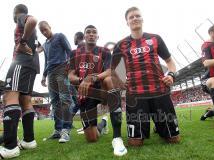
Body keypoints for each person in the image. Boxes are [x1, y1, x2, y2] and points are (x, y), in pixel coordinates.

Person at [111, 7, 180, 147]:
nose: (135, 18)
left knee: (174, 140)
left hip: (159, 91)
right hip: (136, 95)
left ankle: (159, 127)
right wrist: (119, 81)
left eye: (137, 16)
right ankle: (155, 126)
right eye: (131, 17)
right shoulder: (121, 44)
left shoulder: (155, 38)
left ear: (142, 19)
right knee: (135, 143)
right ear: (127, 22)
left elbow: (170, 62)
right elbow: (113, 69)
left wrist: (171, 75)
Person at [68, 25, 127, 156]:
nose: (91, 34)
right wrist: (82, 81)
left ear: (98, 36)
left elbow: (109, 70)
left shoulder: (104, 51)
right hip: (85, 94)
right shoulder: (74, 53)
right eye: (88, 32)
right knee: (92, 138)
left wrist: (92, 78)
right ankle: (103, 123)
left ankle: (117, 136)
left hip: (101, 89)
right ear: (84, 36)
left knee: (109, 80)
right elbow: (70, 75)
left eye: (94, 32)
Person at [0, 4, 38, 159]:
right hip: (31, 64)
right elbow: (38, 48)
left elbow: (33, 20)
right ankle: (29, 140)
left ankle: (10, 147)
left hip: (21, 63)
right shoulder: (32, 32)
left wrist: (21, 42)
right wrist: (29, 48)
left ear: (15, 13)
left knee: (9, 96)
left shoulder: (20, 18)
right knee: (25, 99)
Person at [38, 21, 73, 143]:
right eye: (42, 31)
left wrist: (70, 67)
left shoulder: (60, 36)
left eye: (45, 29)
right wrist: (43, 76)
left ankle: (66, 130)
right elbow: (46, 61)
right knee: (54, 101)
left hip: (62, 69)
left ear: (49, 27)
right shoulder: (45, 44)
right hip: (50, 73)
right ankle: (58, 130)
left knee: (65, 99)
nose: (44, 32)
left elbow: (70, 51)